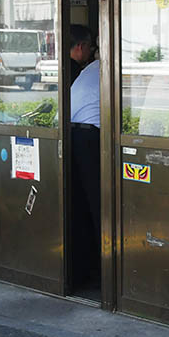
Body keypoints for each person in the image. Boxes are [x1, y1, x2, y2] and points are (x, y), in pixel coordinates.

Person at [70, 36, 100, 286]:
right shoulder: (106, 68)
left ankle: (88, 269)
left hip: (75, 134)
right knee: (99, 203)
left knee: (84, 204)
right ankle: (103, 269)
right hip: (91, 139)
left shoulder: (89, 70)